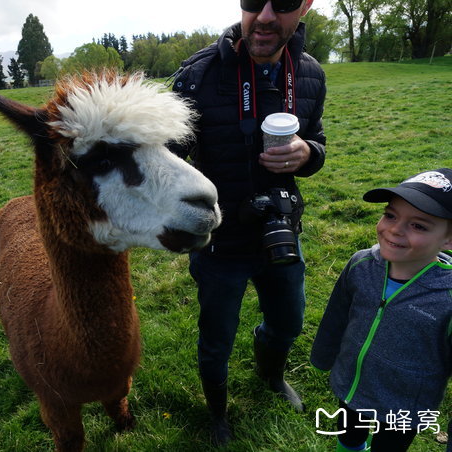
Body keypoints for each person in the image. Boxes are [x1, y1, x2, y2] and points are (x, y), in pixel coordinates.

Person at [170, 0, 326, 445]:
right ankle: (217, 413)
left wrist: (309, 153)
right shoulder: (198, 76)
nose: (265, 17)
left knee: (289, 323)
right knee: (216, 341)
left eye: (284, 4)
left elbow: (318, 139)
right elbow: (163, 158)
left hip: (280, 233)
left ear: (306, 6)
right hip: (221, 243)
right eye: (254, 1)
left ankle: (272, 377)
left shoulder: (310, 73)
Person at [311, 169, 452, 452]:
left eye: (419, 226)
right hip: (351, 384)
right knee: (349, 437)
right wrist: (324, 357)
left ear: (449, 240)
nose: (395, 230)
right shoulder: (360, 264)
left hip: (405, 405)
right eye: (390, 215)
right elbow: (337, 315)